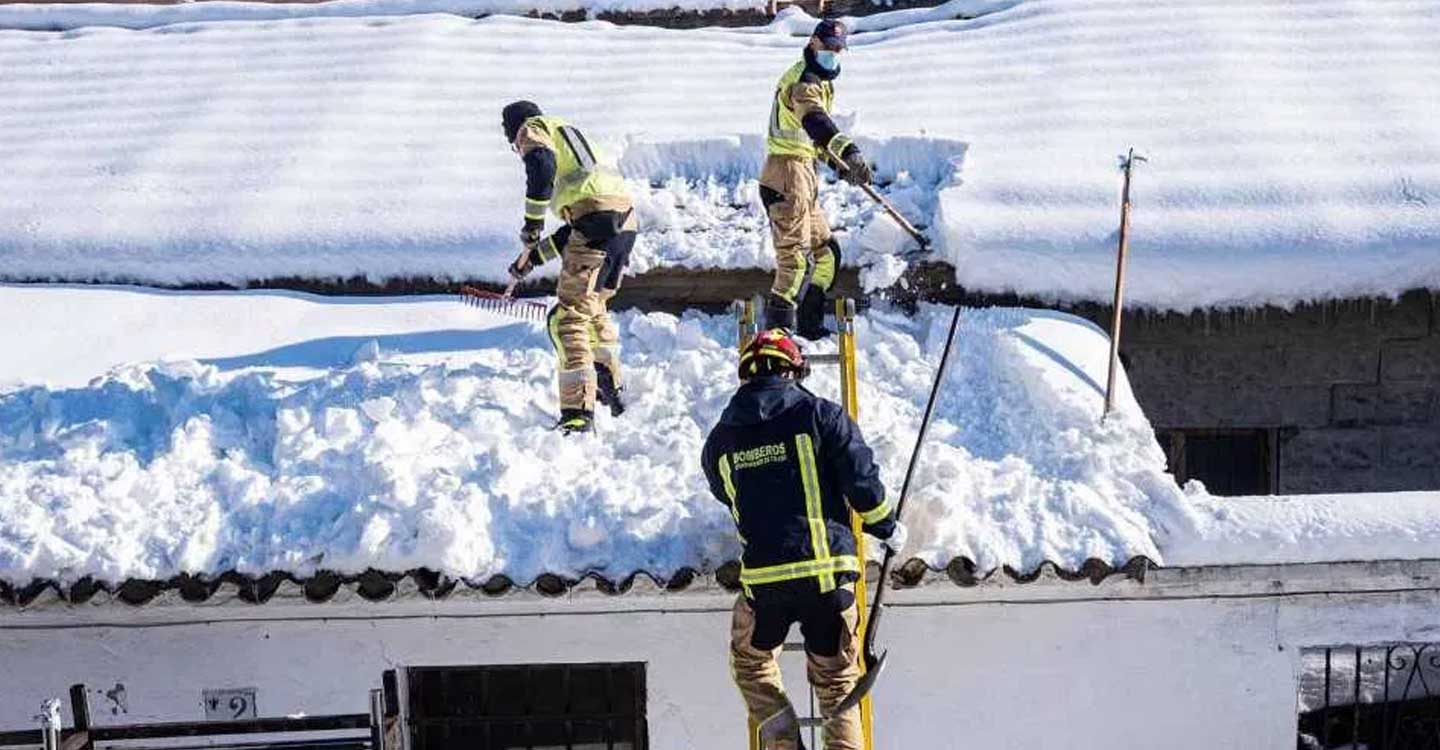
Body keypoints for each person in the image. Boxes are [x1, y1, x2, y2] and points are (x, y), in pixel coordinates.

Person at [701, 329, 906, 750]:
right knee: (837, 687)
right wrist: (886, 526)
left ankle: (784, 743)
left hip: (765, 586)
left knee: (753, 666)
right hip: (827, 581)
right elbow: (861, 481)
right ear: (793, 368)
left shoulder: (720, 441)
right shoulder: (820, 415)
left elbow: (726, 494)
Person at [501, 101, 637, 435]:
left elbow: (541, 168)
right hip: (624, 223)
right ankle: (610, 386)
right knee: (592, 309)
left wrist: (531, 225)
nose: (518, 148)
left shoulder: (531, 128)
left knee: (567, 319)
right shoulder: (570, 135)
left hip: (596, 220)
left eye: (514, 144)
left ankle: (578, 412)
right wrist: (532, 259)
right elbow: (572, 233)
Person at [760, 19, 873, 339]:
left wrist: (840, 166)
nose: (833, 54)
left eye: (839, 49)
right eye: (828, 47)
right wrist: (848, 151)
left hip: (803, 171)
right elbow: (815, 121)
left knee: (826, 254)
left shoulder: (820, 82)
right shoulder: (804, 81)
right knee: (794, 263)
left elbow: (811, 140)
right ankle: (778, 345)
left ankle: (809, 324)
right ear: (813, 42)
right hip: (786, 174)